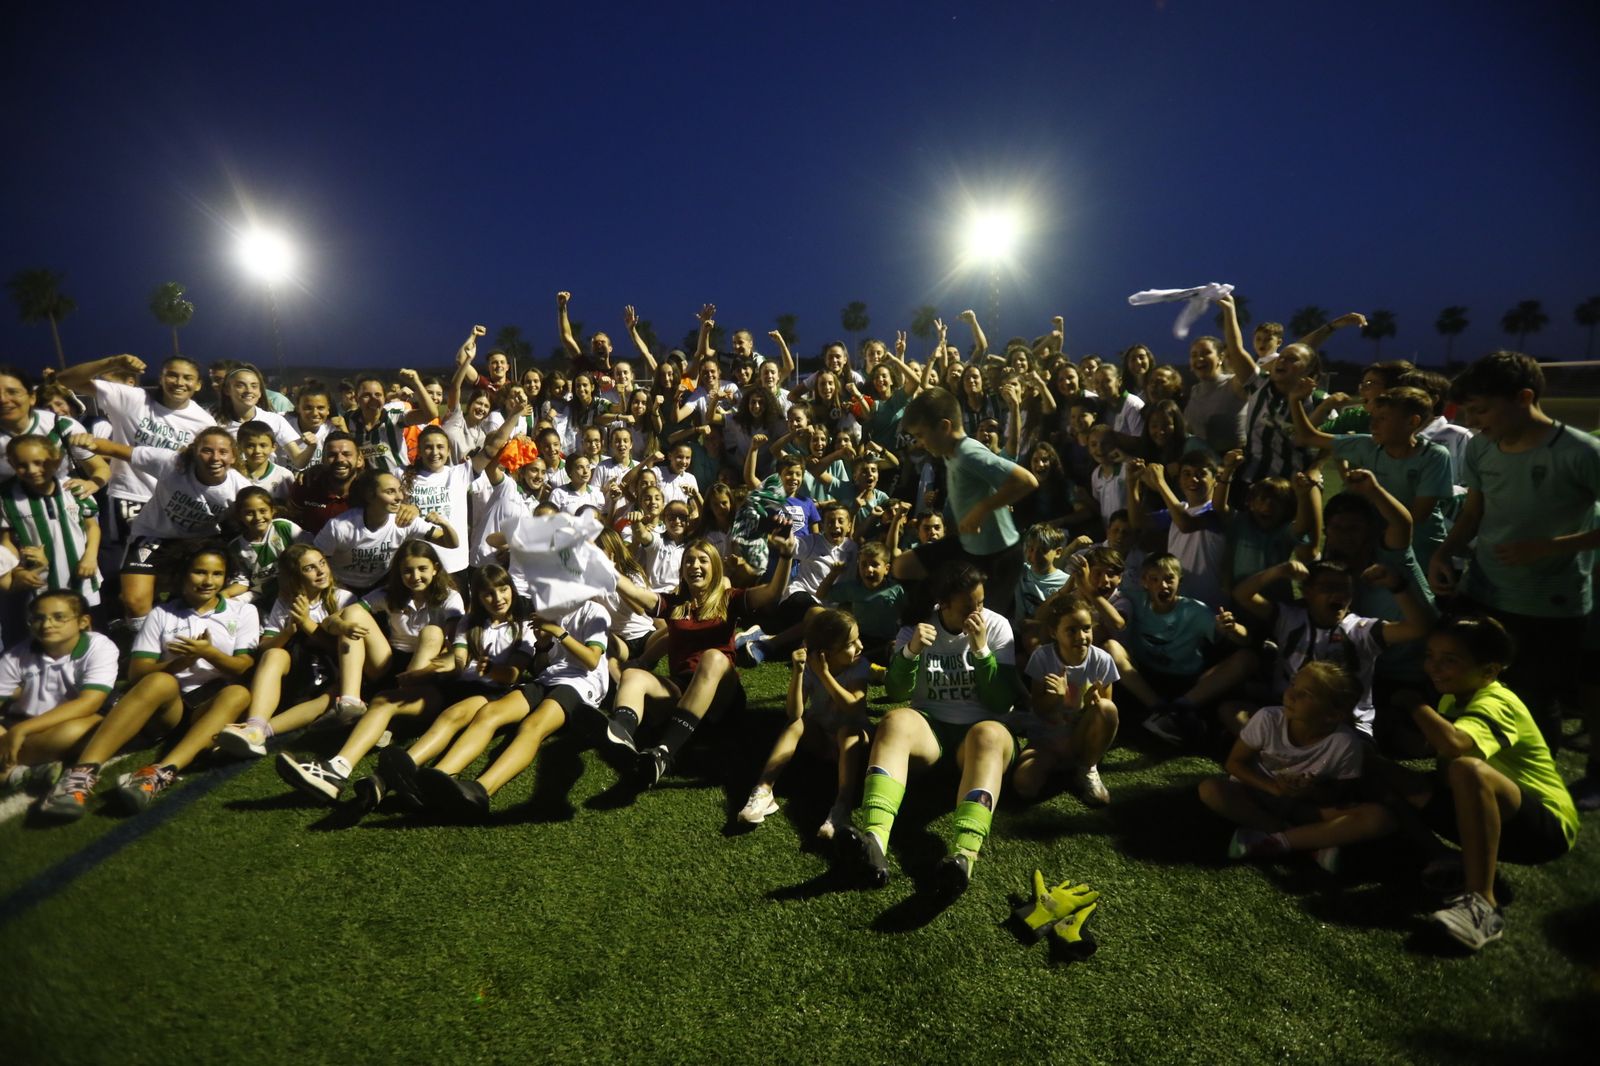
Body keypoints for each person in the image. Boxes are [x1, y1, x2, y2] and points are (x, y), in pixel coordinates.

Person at [1427, 351, 1600, 744]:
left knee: (1535, 701)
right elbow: (1473, 512)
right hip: (1482, 591)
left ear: (1524, 397)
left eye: (1482, 410)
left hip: (1549, 604)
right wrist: (1444, 552)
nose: (1472, 423)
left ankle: (1539, 797)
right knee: (1473, 691)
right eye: (1468, 412)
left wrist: (1549, 547)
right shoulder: (1482, 447)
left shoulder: (1580, 452)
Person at [1387, 616, 1579, 951]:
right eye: (1431, 655)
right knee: (1376, 768)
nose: (1434, 667)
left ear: (1489, 670)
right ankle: (1444, 858)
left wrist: (1412, 703)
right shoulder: (1453, 696)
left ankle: (1483, 906)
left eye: (1450, 660)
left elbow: (1455, 747)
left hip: (1546, 828)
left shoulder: (1498, 701)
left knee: (1468, 770)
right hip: (1489, 815)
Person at [834, 563, 1019, 900]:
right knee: (894, 720)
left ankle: (963, 856)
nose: (977, 613)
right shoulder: (917, 628)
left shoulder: (997, 627)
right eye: (968, 607)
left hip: (980, 735)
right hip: (930, 733)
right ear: (943, 604)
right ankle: (874, 840)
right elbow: (896, 691)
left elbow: (1000, 701)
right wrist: (910, 652)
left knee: (988, 734)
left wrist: (981, 651)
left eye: (980, 603)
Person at [38, 545, 259, 819]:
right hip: (168, 707)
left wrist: (208, 653)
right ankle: (81, 774)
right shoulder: (162, 613)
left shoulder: (243, 613)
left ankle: (159, 773)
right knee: (159, 682)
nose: (207, 581)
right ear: (183, 575)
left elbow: (244, 667)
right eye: (199, 572)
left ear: (225, 578)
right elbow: (137, 673)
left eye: (217, 574)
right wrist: (180, 664)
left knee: (238, 693)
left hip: (210, 707)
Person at [273, 541, 463, 804]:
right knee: (352, 614)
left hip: (427, 681)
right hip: (391, 668)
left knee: (431, 633)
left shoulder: (450, 598)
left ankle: (341, 764)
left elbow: (458, 648)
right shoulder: (388, 594)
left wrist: (431, 669)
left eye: (422, 569)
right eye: (407, 571)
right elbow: (330, 621)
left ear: (435, 569)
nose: (415, 577)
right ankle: (349, 705)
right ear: (398, 573)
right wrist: (342, 626)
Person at [604, 535, 796, 787]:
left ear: (714, 568)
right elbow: (636, 592)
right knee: (632, 676)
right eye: (689, 561)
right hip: (682, 689)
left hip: (722, 697)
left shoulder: (729, 599)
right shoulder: (675, 605)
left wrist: (785, 556)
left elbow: (772, 593)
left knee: (713, 657)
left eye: (702, 560)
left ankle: (664, 752)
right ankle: (621, 732)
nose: (695, 566)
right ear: (682, 571)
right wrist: (603, 565)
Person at [411, 596, 611, 821]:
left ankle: (481, 790)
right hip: (549, 677)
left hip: (583, 683)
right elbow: (541, 666)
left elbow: (592, 660)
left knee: (532, 726)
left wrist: (557, 632)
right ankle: (441, 775)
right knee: (489, 713)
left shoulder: (595, 611)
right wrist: (543, 644)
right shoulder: (548, 610)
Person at [1199, 661, 1389, 873]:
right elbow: (1234, 764)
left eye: (1306, 694)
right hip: (1258, 794)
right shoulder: (1268, 719)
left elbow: (1338, 796)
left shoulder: (1345, 743)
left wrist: (1309, 791)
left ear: (1333, 715)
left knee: (1378, 818)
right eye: (1293, 685)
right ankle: (1304, 841)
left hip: (1305, 806)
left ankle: (1272, 839)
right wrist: (1275, 789)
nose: (1291, 695)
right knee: (1210, 789)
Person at [71, 426, 250, 627]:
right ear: (195, 451)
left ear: (233, 457)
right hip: (151, 534)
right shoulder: (172, 463)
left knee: (195, 599)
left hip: (198, 542)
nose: (215, 458)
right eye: (207, 450)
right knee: (134, 602)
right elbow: (116, 449)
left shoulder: (240, 489)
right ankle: (144, 646)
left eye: (223, 452)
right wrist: (88, 441)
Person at [891, 387, 1037, 624]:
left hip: (999, 557)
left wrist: (982, 510)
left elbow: (1026, 481)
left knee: (979, 624)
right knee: (902, 566)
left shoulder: (969, 453)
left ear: (944, 427)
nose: (919, 443)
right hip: (968, 547)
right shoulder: (950, 452)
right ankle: (924, 623)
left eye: (921, 435)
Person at [737, 608, 872, 839]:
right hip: (820, 738)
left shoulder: (859, 665)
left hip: (853, 742)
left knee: (847, 732)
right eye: (850, 643)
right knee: (797, 724)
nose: (859, 646)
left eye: (857, 638)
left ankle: (842, 807)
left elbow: (853, 707)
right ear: (826, 652)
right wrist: (799, 673)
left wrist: (824, 675)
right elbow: (793, 713)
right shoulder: (810, 667)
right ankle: (764, 790)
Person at [212, 544, 356, 758]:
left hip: (331, 672)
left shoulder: (343, 598)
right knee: (274, 654)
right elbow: (264, 649)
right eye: (309, 568)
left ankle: (260, 732)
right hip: (298, 672)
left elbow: (340, 651)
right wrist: (287, 632)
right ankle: (254, 726)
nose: (320, 571)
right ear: (295, 576)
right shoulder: (286, 601)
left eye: (322, 563)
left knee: (334, 694)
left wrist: (306, 623)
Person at [0, 591, 117, 791]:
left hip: (68, 723)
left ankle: (9, 767)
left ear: (83, 621)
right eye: (38, 618)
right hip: (19, 727)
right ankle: (21, 772)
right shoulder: (15, 655)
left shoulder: (99, 647)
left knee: (83, 730)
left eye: (59, 617)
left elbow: (89, 703)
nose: (47, 625)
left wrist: (21, 731)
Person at [1014, 594, 1120, 805]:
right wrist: (1056, 698)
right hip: (1047, 740)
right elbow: (1038, 708)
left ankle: (1087, 767)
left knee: (1107, 708)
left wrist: (1092, 704)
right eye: (1071, 630)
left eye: (1086, 628)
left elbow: (1107, 715)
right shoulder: (1042, 658)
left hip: (1079, 739)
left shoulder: (1102, 661)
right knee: (1024, 786)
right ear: (1054, 632)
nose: (1081, 636)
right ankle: (1057, 766)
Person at [313, 469, 458, 594]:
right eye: (390, 492)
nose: (399, 497)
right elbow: (314, 559)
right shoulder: (340, 526)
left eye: (400, 490)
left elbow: (450, 543)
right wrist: (334, 587)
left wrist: (443, 524)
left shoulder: (404, 521)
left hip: (381, 586)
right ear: (370, 495)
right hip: (341, 586)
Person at [0, 435, 102, 607]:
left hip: (83, 576)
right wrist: (17, 571)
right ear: (11, 464)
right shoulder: (6, 497)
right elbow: (7, 541)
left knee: (89, 625)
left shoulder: (74, 487)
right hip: (40, 581)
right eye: (22, 465)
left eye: (39, 462)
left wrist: (91, 556)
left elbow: (92, 526)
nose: (32, 470)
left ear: (56, 461)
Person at [346, 371, 439, 475]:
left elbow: (431, 414)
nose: (373, 399)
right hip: (370, 485)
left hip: (401, 481)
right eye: (366, 395)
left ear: (384, 398)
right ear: (357, 399)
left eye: (378, 394)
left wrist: (416, 382)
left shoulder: (394, 414)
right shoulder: (349, 420)